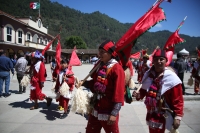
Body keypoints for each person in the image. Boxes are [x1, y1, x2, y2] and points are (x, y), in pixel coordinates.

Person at [132, 49, 184, 133]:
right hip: (151, 112)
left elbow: (178, 99)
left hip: (164, 113)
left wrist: (178, 116)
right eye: (156, 59)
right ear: (153, 61)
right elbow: (143, 92)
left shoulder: (172, 77)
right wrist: (138, 95)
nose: (158, 61)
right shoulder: (148, 75)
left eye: (161, 59)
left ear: (166, 61)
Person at [80, 40, 125, 133]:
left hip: (109, 109)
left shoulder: (117, 68)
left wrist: (114, 113)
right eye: (99, 51)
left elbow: (119, 92)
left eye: (102, 52)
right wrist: (83, 83)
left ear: (110, 53)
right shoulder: (99, 66)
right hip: (96, 106)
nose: (99, 54)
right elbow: (95, 84)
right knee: (90, 130)